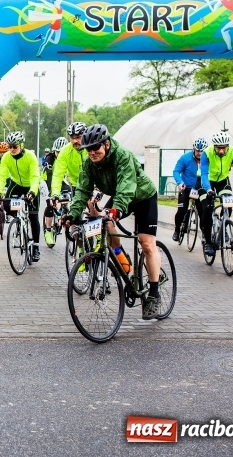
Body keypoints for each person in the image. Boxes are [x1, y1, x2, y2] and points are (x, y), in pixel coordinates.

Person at [62, 124, 162, 320]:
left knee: (147, 244)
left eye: (95, 148)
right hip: (120, 197)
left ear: (106, 144)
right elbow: (82, 190)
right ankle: (123, 263)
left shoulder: (122, 156)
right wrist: (72, 214)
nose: (91, 153)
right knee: (105, 224)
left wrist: (115, 210)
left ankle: (154, 294)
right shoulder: (89, 163)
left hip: (142, 196)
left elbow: (126, 188)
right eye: (88, 149)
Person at [199, 131, 233, 256]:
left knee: (229, 204)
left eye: (223, 148)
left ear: (227, 146)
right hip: (207, 181)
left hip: (223, 180)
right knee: (207, 208)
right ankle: (208, 242)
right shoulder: (206, 153)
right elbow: (204, 174)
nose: (221, 151)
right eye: (218, 148)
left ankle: (223, 224)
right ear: (214, 147)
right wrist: (209, 190)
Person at [0, 131, 42, 261]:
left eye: (14, 147)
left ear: (21, 145)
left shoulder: (30, 156)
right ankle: (19, 221)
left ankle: (36, 247)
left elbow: (35, 176)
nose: (11, 150)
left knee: (33, 216)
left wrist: (32, 192)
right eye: (10, 147)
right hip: (16, 184)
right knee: (5, 204)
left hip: (30, 185)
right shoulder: (6, 158)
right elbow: (2, 177)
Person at [171, 138, 207, 241]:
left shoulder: (208, 159)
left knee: (203, 211)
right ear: (194, 149)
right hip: (186, 188)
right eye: (197, 151)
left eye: (202, 151)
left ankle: (205, 233)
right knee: (181, 210)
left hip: (200, 189)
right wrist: (180, 182)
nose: (199, 153)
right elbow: (176, 171)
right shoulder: (185, 158)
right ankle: (177, 230)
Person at [50, 122, 88, 198]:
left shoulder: (91, 147)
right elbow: (58, 174)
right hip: (77, 186)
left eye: (78, 137)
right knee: (75, 209)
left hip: (94, 186)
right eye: (72, 138)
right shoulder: (65, 151)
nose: (75, 141)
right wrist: (55, 194)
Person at [40, 138, 64, 244]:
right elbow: (50, 177)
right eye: (57, 151)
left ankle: (61, 215)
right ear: (54, 151)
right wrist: (53, 195)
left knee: (67, 198)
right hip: (46, 181)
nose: (59, 154)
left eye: (61, 152)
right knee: (50, 203)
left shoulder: (66, 157)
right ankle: (48, 231)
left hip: (59, 180)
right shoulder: (50, 158)